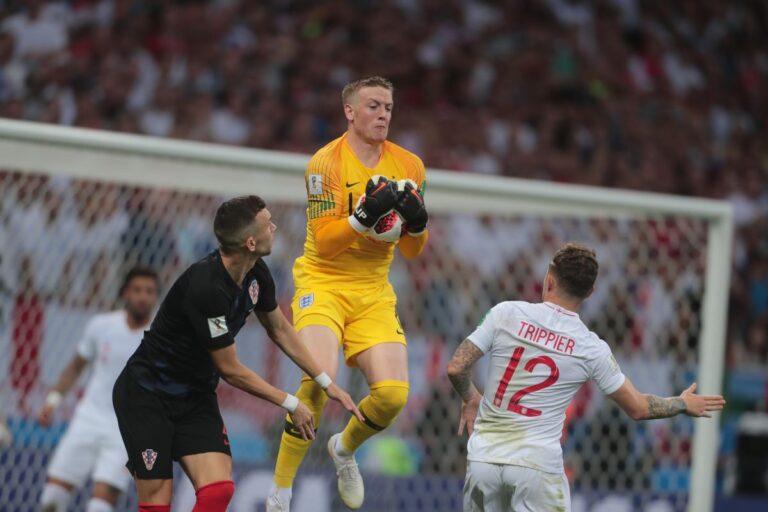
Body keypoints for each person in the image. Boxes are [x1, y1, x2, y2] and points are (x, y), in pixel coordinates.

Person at [112, 195, 362, 512]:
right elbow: (230, 369)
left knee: (218, 491)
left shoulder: (257, 274)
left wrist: (326, 382)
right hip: (147, 394)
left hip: (194, 396)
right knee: (157, 502)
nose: (274, 227)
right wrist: (291, 402)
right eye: (267, 224)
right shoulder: (205, 288)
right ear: (249, 241)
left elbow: (280, 329)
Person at [446, 242, 726, 512]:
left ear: (549, 279)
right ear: (590, 293)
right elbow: (639, 408)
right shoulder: (590, 347)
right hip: (536, 467)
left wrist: (471, 397)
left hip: (484, 458)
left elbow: (457, 367)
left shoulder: (505, 313)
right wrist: (681, 403)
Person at [268, 76, 429, 511]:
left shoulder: (410, 165)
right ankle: (281, 491)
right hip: (322, 283)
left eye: (389, 108)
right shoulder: (325, 163)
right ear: (350, 112)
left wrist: (417, 223)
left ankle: (343, 449)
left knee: (393, 395)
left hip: (374, 291)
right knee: (318, 378)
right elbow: (325, 243)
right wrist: (364, 216)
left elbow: (413, 250)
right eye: (373, 106)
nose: (383, 115)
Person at [37, 266, 160, 512]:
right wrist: (52, 401)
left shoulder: (162, 337)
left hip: (127, 431)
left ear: (156, 296)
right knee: (52, 497)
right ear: (125, 293)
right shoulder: (101, 326)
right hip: (89, 419)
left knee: (100, 505)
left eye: (149, 291)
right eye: (137, 290)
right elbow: (75, 367)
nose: (143, 296)